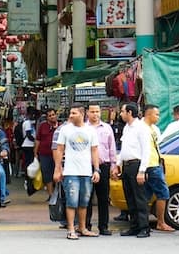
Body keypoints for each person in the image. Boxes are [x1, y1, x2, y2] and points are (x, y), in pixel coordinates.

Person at [53, 104, 100, 240]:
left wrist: (96, 169)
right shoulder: (65, 130)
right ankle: (71, 229)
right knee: (71, 201)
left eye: (74, 113)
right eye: (71, 113)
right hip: (70, 171)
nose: (71, 116)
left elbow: (94, 150)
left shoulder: (90, 131)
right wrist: (58, 168)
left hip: (86, 172)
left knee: (84, 202)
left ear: (82, 114)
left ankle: (83, 227)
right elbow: (59, 149)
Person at [112, 102, 151, 238]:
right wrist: (118, 164)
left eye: (122, 111)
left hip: (137, 165)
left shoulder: (141, 128)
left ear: (129, 112)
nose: (121, 114)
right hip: (127, 165)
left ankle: (144, 227)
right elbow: (124, 149)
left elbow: (146, 150)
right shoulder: (127, 128)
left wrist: (142, 171)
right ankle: (134, 226)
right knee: (130, 198)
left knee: (139, 198)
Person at [142, 104, 175, 232]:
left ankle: (146, 222)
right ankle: (160, 222)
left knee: (147, 195)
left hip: (156, 163)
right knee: (163, 193)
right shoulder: (141, 128)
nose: (158, 117)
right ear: (148, 114)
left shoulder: (154, 129)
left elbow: (157, 146)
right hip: (149, 165)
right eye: (156, 114)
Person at [85, 103, 116, 235]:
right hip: (86, 166)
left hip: (104, 166)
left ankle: (103, 226)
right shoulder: (83, 128)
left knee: (103, 198)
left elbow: (112, 147)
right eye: (92, 111)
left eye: (97, 111)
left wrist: (113, 165)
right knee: (87, 197)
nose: (95, 114)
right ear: (87, 113)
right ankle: (85, 225)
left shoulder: (107, 128)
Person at [34, 108, 59, 196]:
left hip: (58, 155)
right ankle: (51, 195)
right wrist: (35, 153)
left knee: (57, 173)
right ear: (47, 118)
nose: (52, 117)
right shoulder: (42, 126)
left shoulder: (61, 127)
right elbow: (38, 140)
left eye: (53, 115)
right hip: (44, 154)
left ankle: (57, 194)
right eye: (50, 116)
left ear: (56, 115)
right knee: (47, 174)